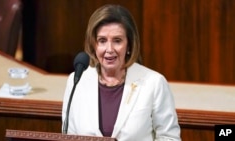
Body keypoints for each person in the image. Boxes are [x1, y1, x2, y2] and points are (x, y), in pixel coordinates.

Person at [62, 4, 181, 141]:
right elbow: (68, 136)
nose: (109, 49)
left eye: (117, 41)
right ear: (93, 45)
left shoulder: (154, 83)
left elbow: (169, 138)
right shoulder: (76, 81)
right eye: (102, 41)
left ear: (129, 45)